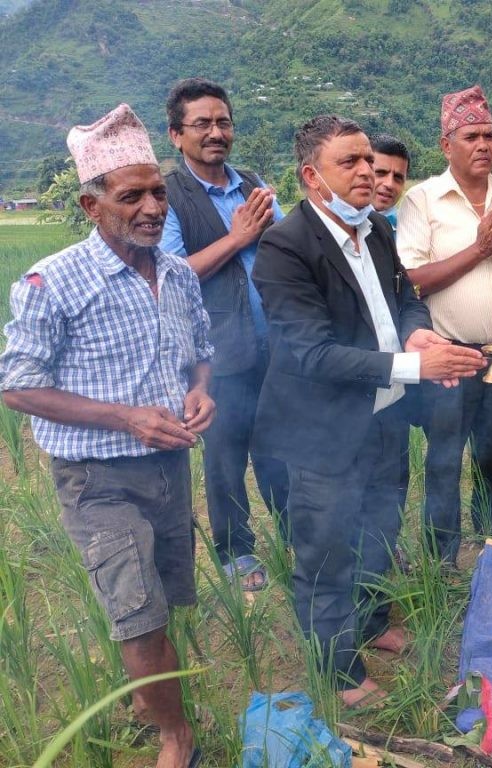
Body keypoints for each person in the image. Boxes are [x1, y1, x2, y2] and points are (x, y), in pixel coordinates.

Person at [0, 104, 214, 768]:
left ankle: (148, 693)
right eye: (132, 196)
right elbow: (16, 384)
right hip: (96, 478)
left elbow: (200, 350)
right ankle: (176, 734)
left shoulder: (177, 275)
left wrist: (200, 391)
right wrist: (125, 416)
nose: (152, 206)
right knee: (139, 608)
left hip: (169, 468)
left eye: (158, 192)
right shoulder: (53, 282)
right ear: (94, 207)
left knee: (169, 592)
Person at [252, 115, 484, 705]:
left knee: (379, 526)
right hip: (321, 430)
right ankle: (336, 670)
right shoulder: (284, 247)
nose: (368, 174)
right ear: (312, 176)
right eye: (350, 163)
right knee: (327, 547)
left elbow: (405, 299)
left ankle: (373, 622)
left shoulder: (376, 230)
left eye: (370, 162)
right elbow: (310, 353)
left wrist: (417, 338)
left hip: (382, 416)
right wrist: (415, 368)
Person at [397, 85, 492, 564]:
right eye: (471, 136)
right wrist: (479, 250)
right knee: (444, 457)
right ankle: (442, 555)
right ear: (447, 145)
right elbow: (414, 280)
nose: (484, 144)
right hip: (448, 354)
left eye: (489, 135)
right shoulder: (423, 201)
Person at [161, 77, 288, 593]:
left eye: (223, 122)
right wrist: (238, 239)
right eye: (202, 124)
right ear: (176, 135)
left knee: (282, 448)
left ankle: (294, 531)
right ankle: (235, 550)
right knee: (226, 457)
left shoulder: (252, 185)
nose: (216, 132)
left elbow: (284, 249)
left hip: (275, 348)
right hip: (219, 355)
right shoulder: (170, 197)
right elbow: (171, 274)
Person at [371, 134, 410, 228]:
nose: (389, 184)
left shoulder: (409, 230)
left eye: (398, 177)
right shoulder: (336, 225)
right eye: (381, 173)